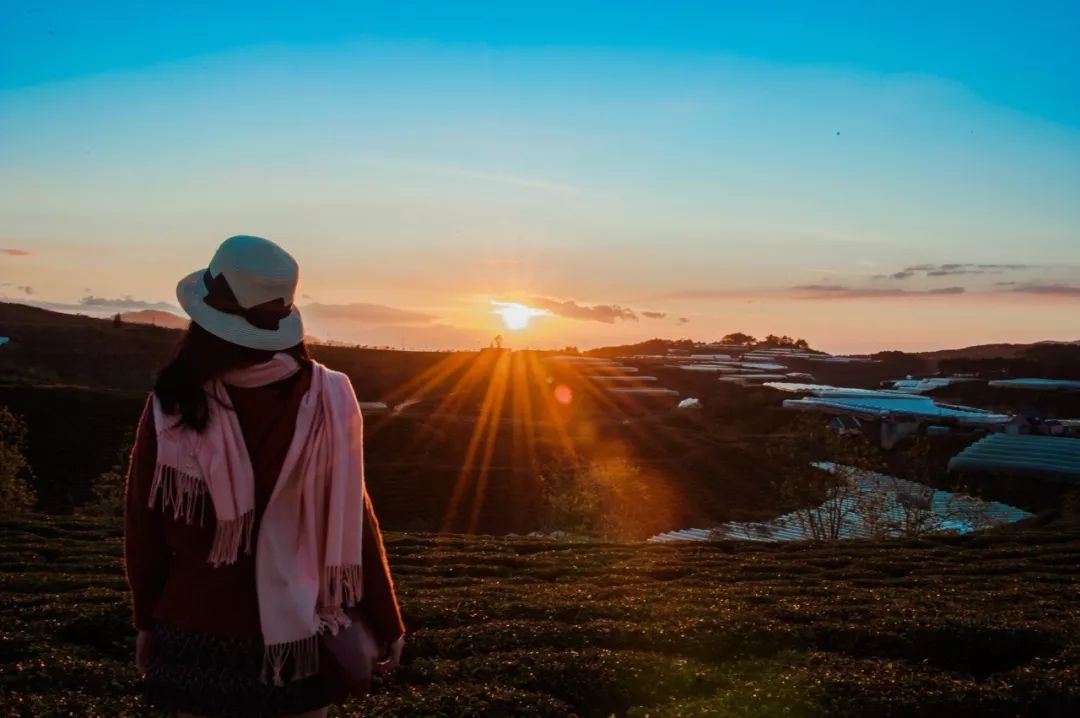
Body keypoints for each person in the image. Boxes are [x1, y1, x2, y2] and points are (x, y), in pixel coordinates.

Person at [124, 235, 405, 718]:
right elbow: (354, 521)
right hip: (299, 642)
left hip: (193, 631)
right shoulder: (330, 398)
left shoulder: (172, 403)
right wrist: (387, 621)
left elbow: (143, 528)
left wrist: (147, 621)